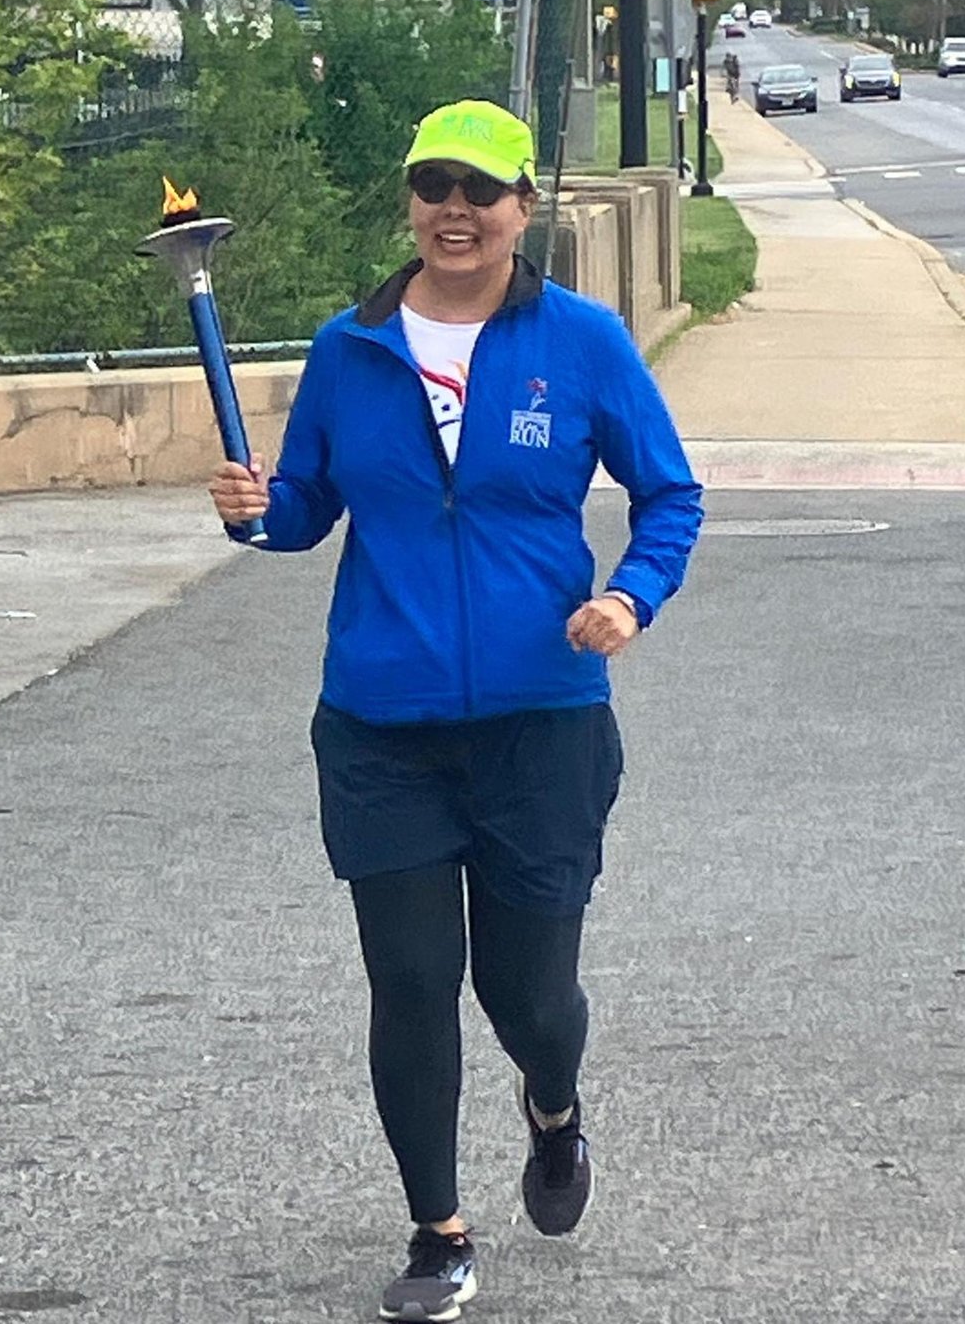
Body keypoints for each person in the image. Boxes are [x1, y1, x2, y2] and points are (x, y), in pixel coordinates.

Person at [209, 98, 703, 1323]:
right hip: (381, 724)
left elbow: (669, 495)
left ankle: (553, 1103)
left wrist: (628, 598)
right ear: (410, 203)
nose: (455, 210)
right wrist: (254, 510)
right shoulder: (350, 347)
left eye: (481, 190)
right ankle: (438, 1231)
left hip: (541, 721)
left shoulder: (579, 341)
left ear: (523, 208)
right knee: (411, 978)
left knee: (528, 996)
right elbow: (305, 508)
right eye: (433, 185)